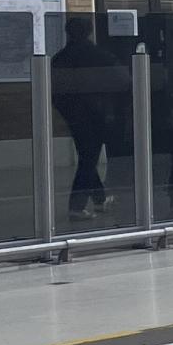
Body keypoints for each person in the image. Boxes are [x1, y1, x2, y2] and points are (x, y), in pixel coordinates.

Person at [50, 17, 121, 223]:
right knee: (89, 158)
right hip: (97, 114)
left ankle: (99, 199)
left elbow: (55, 91)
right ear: (89, 31)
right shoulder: (99, 56)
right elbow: (122, 79)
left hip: (73, 115)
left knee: (86, 155)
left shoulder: (59, 58)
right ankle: (77, 206)